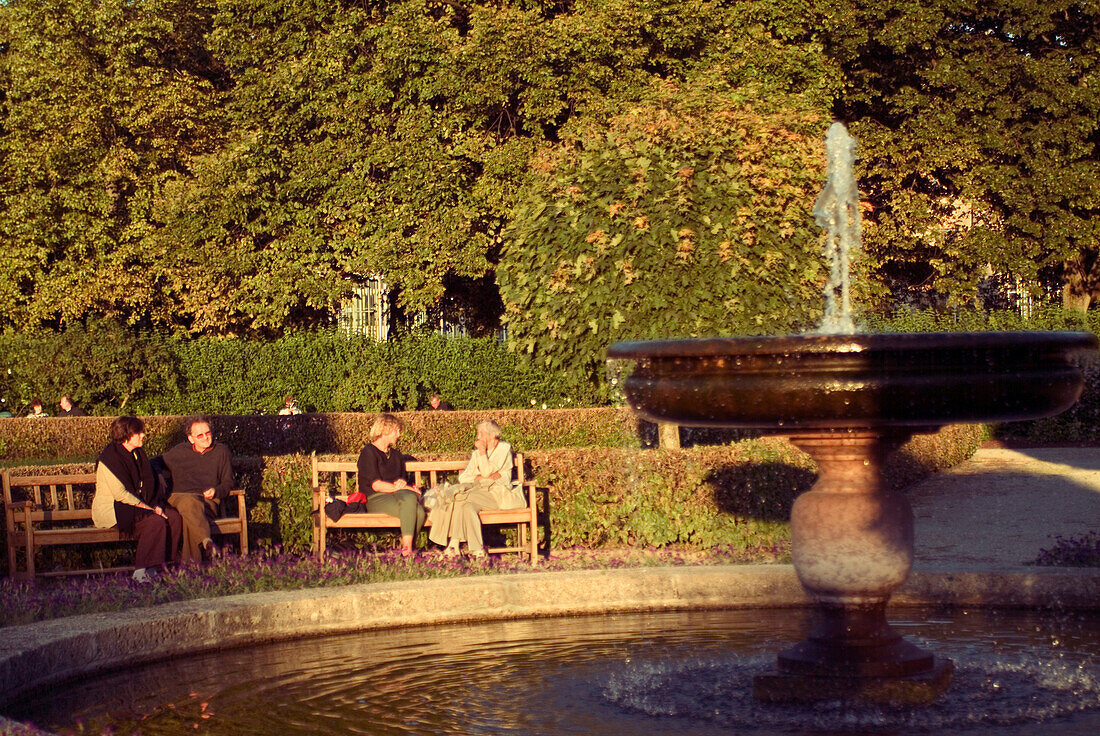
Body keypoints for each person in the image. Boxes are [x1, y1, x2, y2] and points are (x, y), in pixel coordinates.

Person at [92, 416, 182, 583]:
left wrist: (155, 504)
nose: (143, 435)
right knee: (154, 522)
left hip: (139, 504)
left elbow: (149, 483)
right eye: (138, 432)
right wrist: (149, 508)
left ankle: (159, 567)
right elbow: (120, 494)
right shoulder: (109, 459)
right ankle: (140, 572)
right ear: (126, 435)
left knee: (174, 518)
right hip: (114, 509)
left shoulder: (138, 454)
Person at [427, 420, 524, 558]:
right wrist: (481, 477)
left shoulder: (503, 449)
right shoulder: (476, 454)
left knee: (458, 497)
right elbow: (465, 477)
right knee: (467, 508)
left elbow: (486, 470)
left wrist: (482, 455)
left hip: (496, 494)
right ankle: (477, 550)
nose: (478, 437)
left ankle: (453, 546)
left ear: (492, 435)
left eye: (481, 433)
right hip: (477, 493)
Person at [163, 416, 235, 563]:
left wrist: (216, 491)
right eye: (200, 435)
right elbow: (156, 463)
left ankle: (191, 568)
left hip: (206, 501)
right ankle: (206, 541)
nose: (205, 438)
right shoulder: (179, 451)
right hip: (180, 497)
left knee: (191, 517)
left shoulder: (221, 451)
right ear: (191, 438)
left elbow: (228, 483)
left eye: (208, 433)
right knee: (189, 502)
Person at [357, 413, 425, 556]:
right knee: (413, 504)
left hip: (397, 496)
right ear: (385, 430)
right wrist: (405, 487)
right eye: (396, 430)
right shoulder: (368, 452)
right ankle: (408, 550)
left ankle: (406, 549)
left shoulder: (396, 455)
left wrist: (403, 483)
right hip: (375, 498)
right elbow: (376, 485)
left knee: (419, 511)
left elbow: (401, 480)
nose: (399, 435)